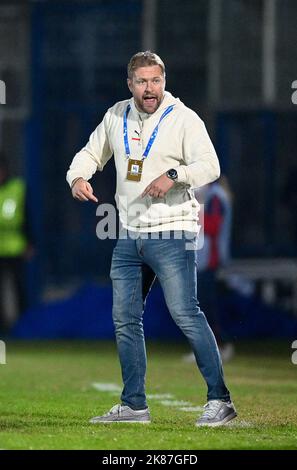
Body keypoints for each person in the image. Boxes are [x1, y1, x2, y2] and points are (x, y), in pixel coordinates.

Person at [66, 51, 237, 427]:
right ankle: (134, 406)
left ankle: (220, 400)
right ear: (130, 84)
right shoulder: (116, 115)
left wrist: (174, 174)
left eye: (156, 81)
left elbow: (211, 165)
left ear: (164, 81)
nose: (150, 89)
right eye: (142, 81)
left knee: (185, 313)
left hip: (172, 231)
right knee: (125, 318)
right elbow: (91, 153)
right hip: (128, 235)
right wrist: (78, 177)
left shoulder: (183, 118)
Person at [184, 176, 234, 364]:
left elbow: (213, 227)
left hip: (209, 259)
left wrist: (195, 209)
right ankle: (209, 347)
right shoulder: (209, 195)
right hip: (200, 257)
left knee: (205, 306)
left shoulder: (215, 196)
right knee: (201, 305)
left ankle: (220, 345)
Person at [0, 155, 33, 333]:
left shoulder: (17, 188)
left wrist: (30, 242)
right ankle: (4, 327)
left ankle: (24, 326)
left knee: (19, 289)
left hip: (15, 249)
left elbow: (27, 217)